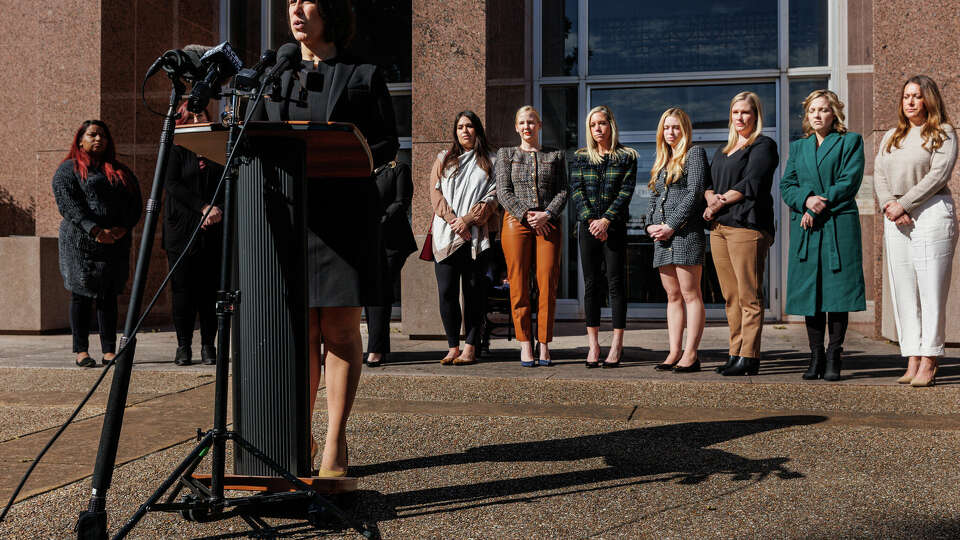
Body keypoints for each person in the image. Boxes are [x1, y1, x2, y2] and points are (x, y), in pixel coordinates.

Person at [258, 0, 399, 476]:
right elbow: (254, 138)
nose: (295, 9)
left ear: (331, 11)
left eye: (307, 0)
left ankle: (334, 442)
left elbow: (386, 143)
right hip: (287, 220)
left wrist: (349, 153)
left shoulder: (362, 74)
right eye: (290, 1)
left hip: (343, 217)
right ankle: (298, 434)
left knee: (338, 330)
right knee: (298, 333)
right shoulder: (276, 73)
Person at [874, 75, 957, 388]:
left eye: (916, 96)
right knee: (904, 290)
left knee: (930, 290)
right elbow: (879, 173)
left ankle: (930, 358)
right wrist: (890, 206)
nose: (909, 101)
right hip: (895, 217)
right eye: (906, 95)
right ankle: (911, 355)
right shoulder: (892, 136)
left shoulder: (943, 132)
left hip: (932, 213)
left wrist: (905, 204)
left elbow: (938, 175)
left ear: (928, 100)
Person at [780, 90, 865, 381]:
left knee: (836, 294)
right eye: (812, 110)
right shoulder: (799, 147)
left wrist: (816, 207)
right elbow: (786, 185)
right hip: (806, 229)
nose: (817, 115)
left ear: (835, 114)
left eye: (823, 110)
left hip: (836, 226)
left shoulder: (850, 142)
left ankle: (834, 355)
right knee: (810, 295)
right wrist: (805, 199)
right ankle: (815, 355)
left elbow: (848, 182)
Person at [53, 120, 141, 368]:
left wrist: (122, 228)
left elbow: (135, 204)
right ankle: (81, 351)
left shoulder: (120, 171)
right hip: (79, 242)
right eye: (92, 135)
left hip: (114, 241)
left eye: (102, 135)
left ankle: (109, 350)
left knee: (108, 295)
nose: (98, 139)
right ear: (80, 139)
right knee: (80, 294)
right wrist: (93, 229)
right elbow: (67, 204)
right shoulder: (68, 170)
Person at [703, 91, 779, 376]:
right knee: (731, 296)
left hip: (747, 226)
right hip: (720, 229)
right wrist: (711, 198)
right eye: (735, 112)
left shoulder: (763, 145)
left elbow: (754, 182)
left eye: (746, 112)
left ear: (756, 115)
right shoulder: (723, 151)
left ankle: (750, 355)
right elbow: (709, 183)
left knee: (749, 295)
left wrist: (719, 201)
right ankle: (735, 352)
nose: (740, 117)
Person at [495, 106, 568, 367]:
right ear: (516, 127)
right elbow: (503, 192)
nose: (527, 127)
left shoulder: (555, 154)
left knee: (547, 281)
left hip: (548, 223)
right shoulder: (506, 155)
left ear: (540, 125)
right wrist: (527, 214)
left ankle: (544, 343)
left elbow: (563, 191)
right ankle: (525, 342)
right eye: (522, 123)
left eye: (531, 122)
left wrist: (547, 213)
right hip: (516, 222)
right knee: (518, 283)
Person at [569, 105, 637, 368]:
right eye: (593, 125)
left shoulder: (627, 156)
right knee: (591, 285)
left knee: (616, 285)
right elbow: (577, 191)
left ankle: (617, 345)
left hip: (615, 227)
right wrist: (591, 221)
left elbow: (626, 192)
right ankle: (594, 346)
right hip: (587, 229)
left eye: (602, 123)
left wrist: (606, 220)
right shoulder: (581, 156)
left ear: (611, 125)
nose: (598, 129)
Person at [429, 111, 498, 365]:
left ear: (477, 130)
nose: (465, 131)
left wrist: (467, 220)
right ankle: (452, 346)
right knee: (446, 292)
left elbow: (493, 197)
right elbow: (435, 194)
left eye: (469, 126)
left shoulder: (491, 160)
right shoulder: (444, 159)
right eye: (460, 127)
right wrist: (453, 221)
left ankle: (470, 346)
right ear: (455, 131)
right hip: (446, 235)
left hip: (475, 236)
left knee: (473, 293)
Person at [645, 108, 709, 373]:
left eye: (675, 128)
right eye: (666, 128)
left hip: (685, 234)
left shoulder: (694, 154)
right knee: (672, 296)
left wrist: (671, 225)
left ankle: (691, 354)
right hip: (662, 238)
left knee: (690, 295)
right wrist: (650, 224)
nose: (670, 133)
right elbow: (654, 198)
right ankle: (674, 351)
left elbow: (695, 193)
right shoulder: (662, 160)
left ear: (685, 130)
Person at [162, 103, 225, 366]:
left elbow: (226, 183)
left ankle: (209, 346)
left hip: (213, 228)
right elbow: (172, 184)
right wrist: (201, 208)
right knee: (183, 291)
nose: (198, 119)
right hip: (182, 231)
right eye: (193, 116)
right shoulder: (175, 149)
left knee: (210, 291)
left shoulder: (218, 149)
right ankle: (183, 346)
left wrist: (216, 210)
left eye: (202, 115)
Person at [363, 157, 417, 368]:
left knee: (380, 290)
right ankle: (378, 347)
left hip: (392, 242)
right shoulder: (363, 169)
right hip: (367, 241)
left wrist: (378, 221)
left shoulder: (398, 169)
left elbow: (401, 201)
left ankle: (376, 349)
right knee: (373, 293)